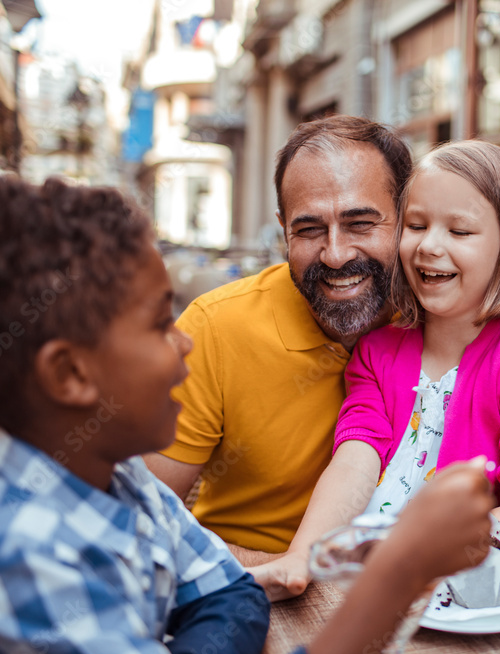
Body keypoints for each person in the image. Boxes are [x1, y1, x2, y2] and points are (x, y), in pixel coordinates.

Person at [0, 177, 495, 654]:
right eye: (161, 324)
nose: (185, 342)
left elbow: (230, 596)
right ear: (69, 374)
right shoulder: (20, 558)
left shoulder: (113, 476)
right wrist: (395, 577)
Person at [251, 140, 500, 601]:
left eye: (459, 231)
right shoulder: (377, 350)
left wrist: (427, 552)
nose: (429, 246)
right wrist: (303, 555)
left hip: (466, 593)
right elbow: (354, 461)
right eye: (416, 225)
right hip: (368, 583)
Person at [143, 115, 413, 563]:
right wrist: (292, 573)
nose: (336, 253)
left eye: (361, 223)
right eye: (308, 230)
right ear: (282, 228)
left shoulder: (442, 321)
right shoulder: (214, 329)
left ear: (407, 218)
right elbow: (141, 520)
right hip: (247, 589)